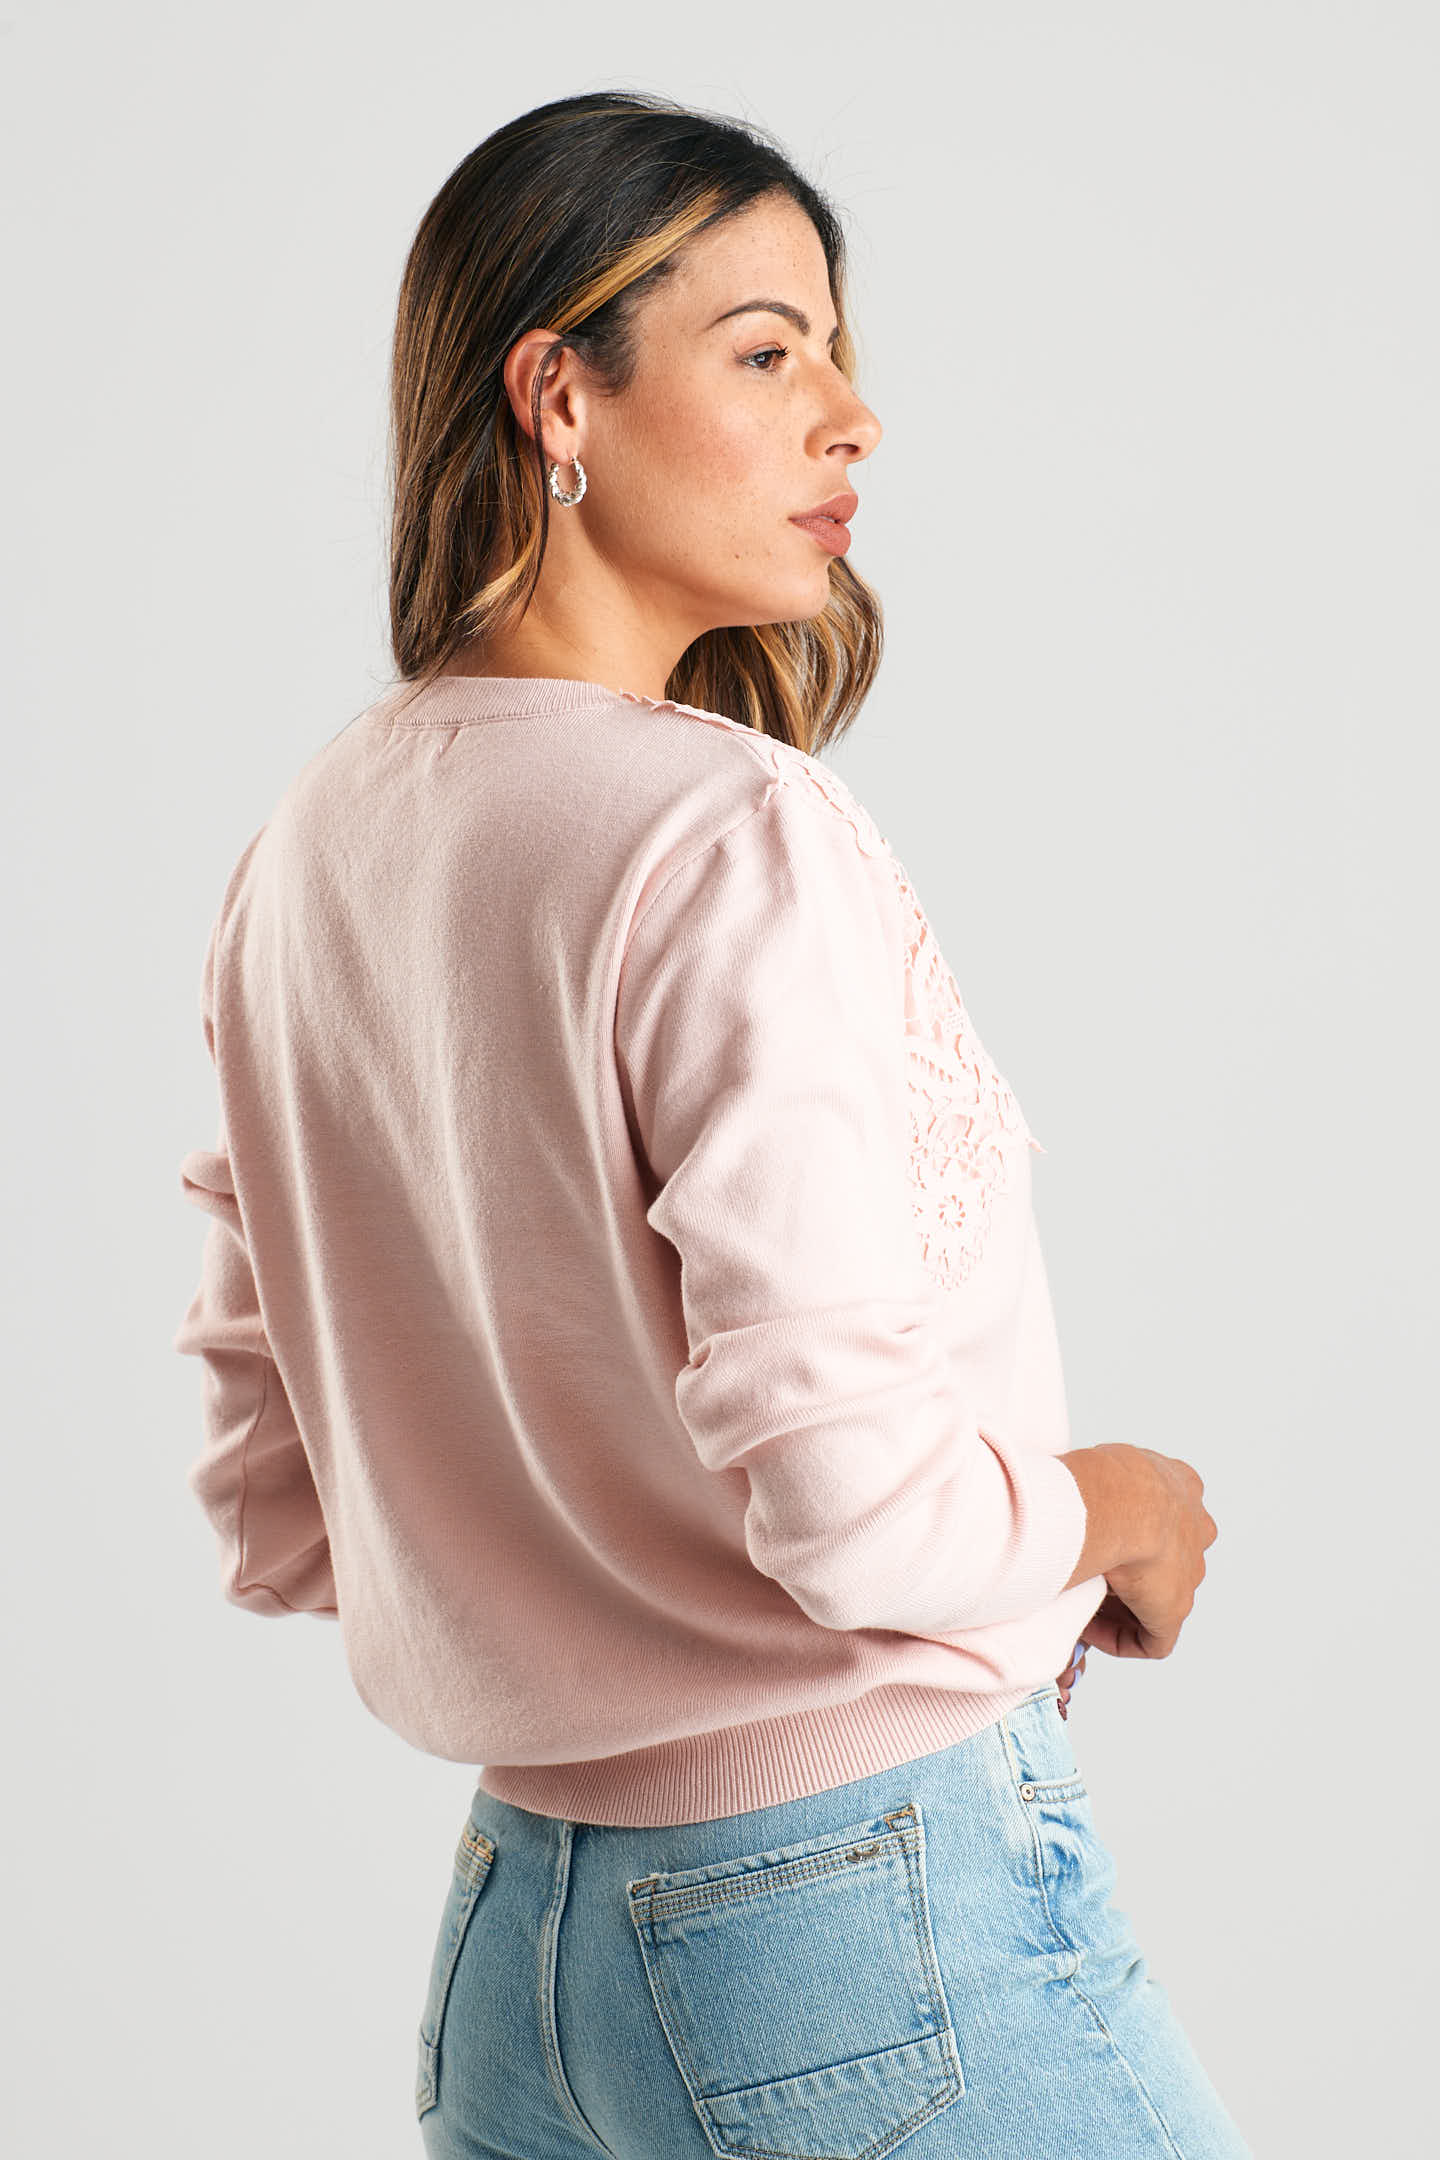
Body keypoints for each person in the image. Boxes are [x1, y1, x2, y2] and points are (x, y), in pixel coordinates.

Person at [173, 87, 1250, 2160]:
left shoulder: (304, 849)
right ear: (558, 394)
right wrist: (1108, 1507)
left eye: (836, 350)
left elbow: (274, 1507)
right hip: (859, 1930)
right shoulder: (732, 830)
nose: (853, 417)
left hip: (520, 1963)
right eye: (766, 353)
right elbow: (852, 1509)